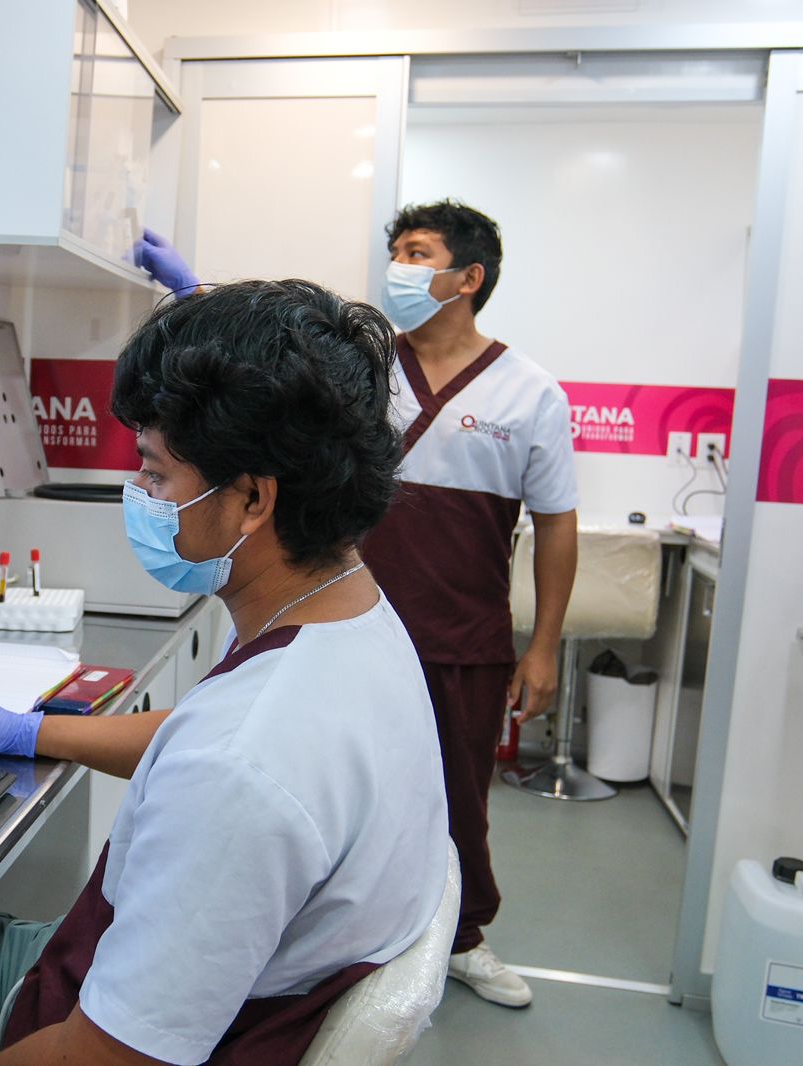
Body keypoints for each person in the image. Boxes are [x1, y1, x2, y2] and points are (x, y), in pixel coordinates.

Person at [0, 279, 449, 1066]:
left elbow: (103, 1061)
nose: (140, 496)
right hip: (153, 984)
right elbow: (202, 738)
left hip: (66, 1027)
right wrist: (37, 732)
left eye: (156, 474)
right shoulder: (356, 625)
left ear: (251, 500)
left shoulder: (241, 770)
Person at [359, 200, 579, 1009]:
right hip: (353, 625)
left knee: (459, 797)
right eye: (397, 252)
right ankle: (345, 937)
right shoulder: (364, 368)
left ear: (468, 277)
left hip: (464, 634)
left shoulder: (531, 393)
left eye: (417, 253)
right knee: (348, 786)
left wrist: (544, 645)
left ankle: (463, 937)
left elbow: (556, 526)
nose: (399, 269)